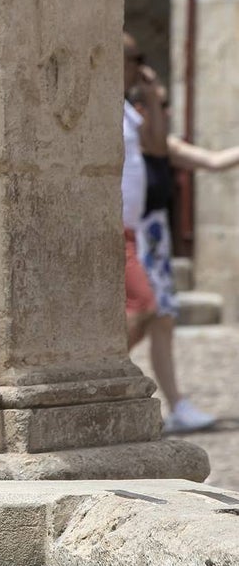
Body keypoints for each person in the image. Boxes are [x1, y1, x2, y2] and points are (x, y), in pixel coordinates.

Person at [128, 68, 239, 434]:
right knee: (145, 312)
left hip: (156, 239)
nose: (167, 112)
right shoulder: (133, 143)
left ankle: (176, 403)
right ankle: (101, 371)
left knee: (162, 320)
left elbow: (215, 161)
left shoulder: (165, 146)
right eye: (160, 105)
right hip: (137, 238)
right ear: (139, 109)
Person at [122, 34, 158, 351]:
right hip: (116, 229)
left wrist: (152, 97)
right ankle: (107, 370)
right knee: (144, 305)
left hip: (132, 229)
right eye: (137, 59)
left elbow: (157, 145)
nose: (141, 67)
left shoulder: (127, 110)